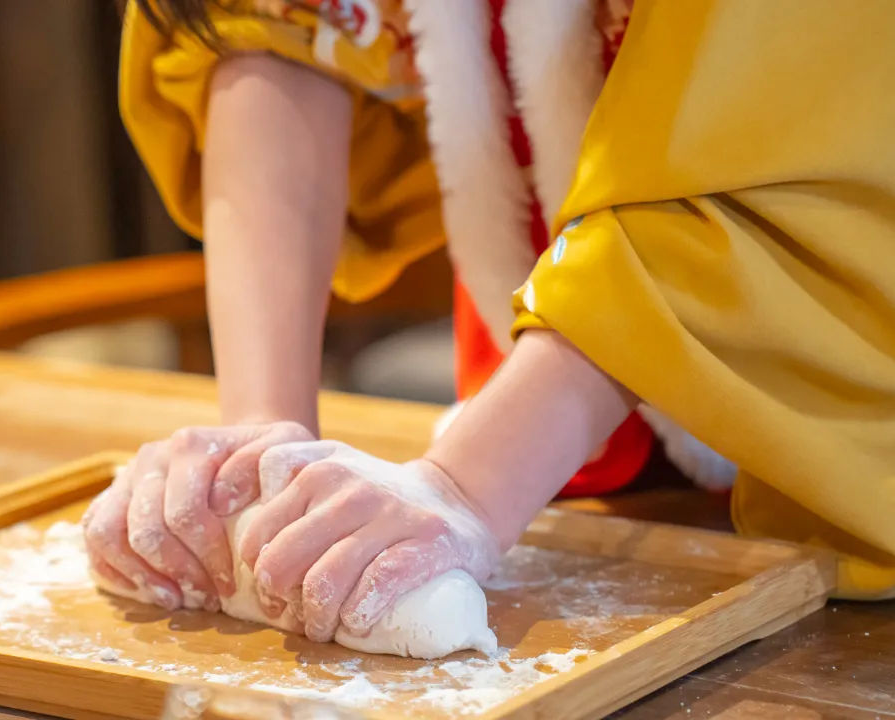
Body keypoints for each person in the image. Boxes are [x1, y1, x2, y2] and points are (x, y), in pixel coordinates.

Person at [86, 0, 895, 642]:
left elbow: (778, 115)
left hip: (835, 397)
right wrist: (264, 448)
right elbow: (278, 31)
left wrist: (465, 490)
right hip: (561, 443)